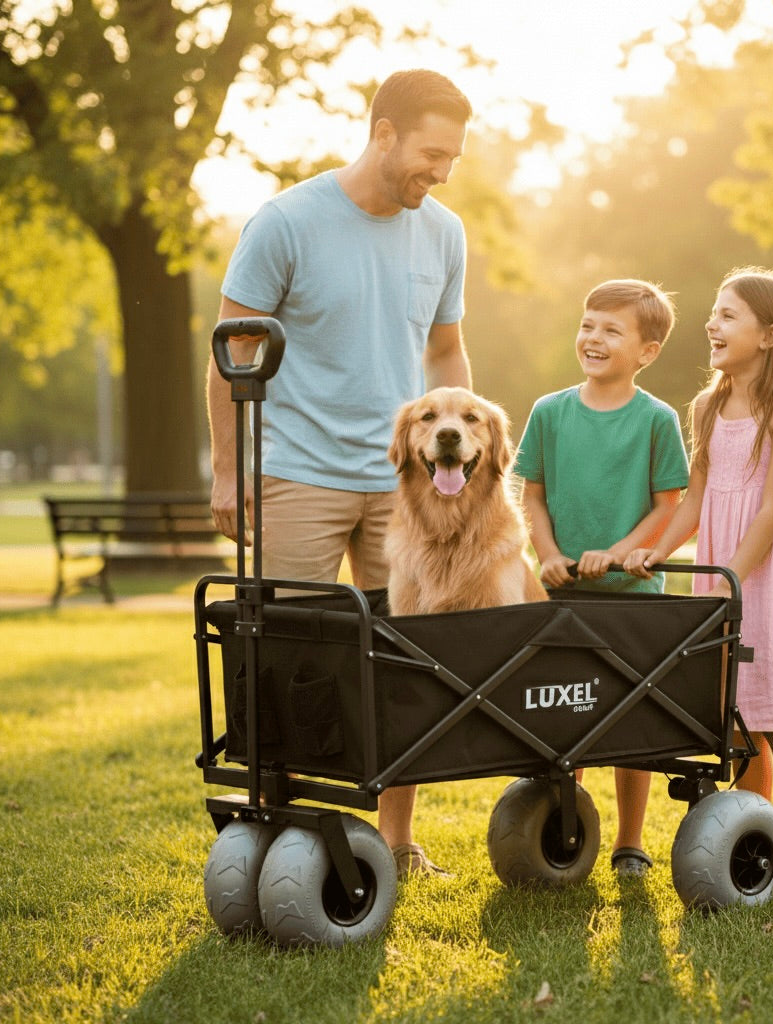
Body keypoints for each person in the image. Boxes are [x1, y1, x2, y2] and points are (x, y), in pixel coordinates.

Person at [206, 69, 474, 879]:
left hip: (406, 487)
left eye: (454, 157)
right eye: (432, 152)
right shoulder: (287, 222)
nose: (443, 171)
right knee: (288, 658)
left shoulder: (444, 231)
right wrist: (229, 468)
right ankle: (281, 832)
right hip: (299, 473)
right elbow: (230, 352)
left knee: (407, 659)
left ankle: (396, 842)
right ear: (383, 133)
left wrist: (455, 438)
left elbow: (445, 349)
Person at [626, 266, 773, 890]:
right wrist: (656, 549)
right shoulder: (706, 406)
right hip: (725, 574)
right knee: (736, 715)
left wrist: (732, 572)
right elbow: (695, 501)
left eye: (729, 315)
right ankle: (756, 839)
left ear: (771, 335)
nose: (712, 323)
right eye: (714, 311)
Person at [514, 279, 690, 879]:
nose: (593, 338)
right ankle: (564, 825)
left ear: (647, 351)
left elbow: (668, 506)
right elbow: (531, 496)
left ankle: (630, 842)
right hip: (561, 593)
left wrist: (616, 553)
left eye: (612, 330)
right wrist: (549, 553)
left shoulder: (657, 420)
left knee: (630, 718)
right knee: (563, 711)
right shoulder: (549, 412)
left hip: (633, 598)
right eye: (588, 324)